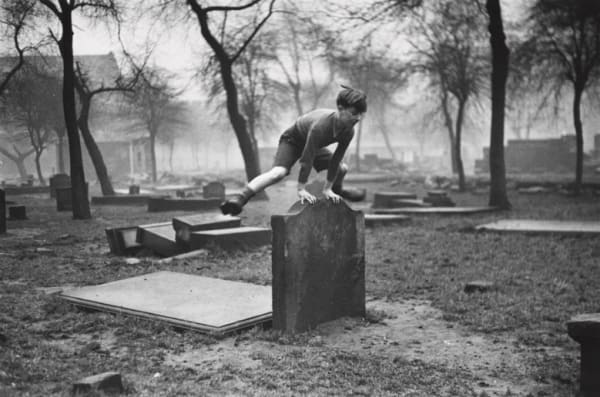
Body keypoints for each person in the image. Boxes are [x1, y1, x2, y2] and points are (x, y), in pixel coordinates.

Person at [220, 85, 367, 216]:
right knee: (278, 173)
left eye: (361, 114)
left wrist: (328, 189)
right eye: (354, 113)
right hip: (292, 141)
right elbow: (306, 159)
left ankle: (338, 190)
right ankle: (239, 199)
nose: (358, 118)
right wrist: (301, 189)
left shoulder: (349, 131)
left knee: (342, 168)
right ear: (340, 108)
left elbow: (335, 160)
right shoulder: (321, 127)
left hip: (314, 144)